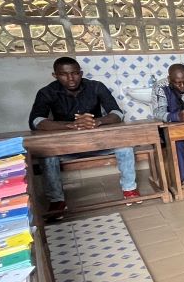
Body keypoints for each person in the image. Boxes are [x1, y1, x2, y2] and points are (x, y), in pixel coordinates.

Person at [28, 57, 140, 218]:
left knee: (125, 146)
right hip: (66, 148)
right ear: (55, 75)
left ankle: (129, 189)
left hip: (99, 144)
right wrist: (69, 125)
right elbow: (36, 121)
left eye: (74, 73)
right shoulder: (47, 92)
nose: (71, 78)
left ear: (81, 73)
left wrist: (97, 122)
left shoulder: (96, 87)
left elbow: (117, 113)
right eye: (64, 74)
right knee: (47, 156)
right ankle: (57, 201)